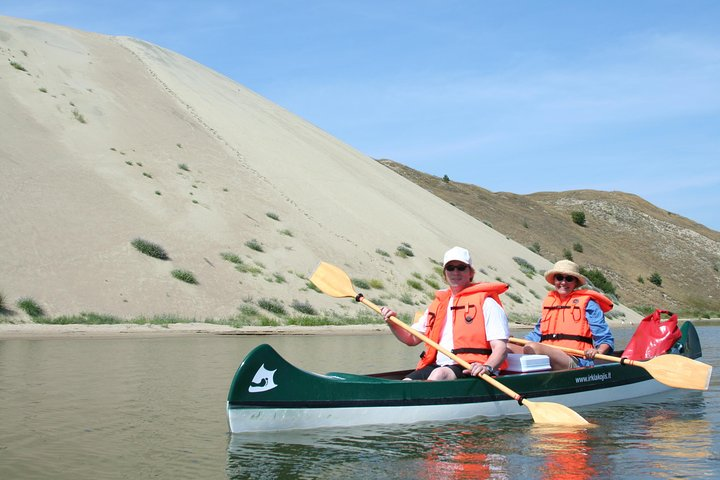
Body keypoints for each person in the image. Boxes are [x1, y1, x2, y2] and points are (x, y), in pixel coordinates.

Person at [380, 246, 510, 380]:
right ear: (444, 273)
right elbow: (411, 339)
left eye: (461, 267)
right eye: (450, 268)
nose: (455, 272)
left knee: (439, 374)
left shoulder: (487, 303)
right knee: (406, 382)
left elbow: (500, 348)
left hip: (473, 367)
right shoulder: (438, 305)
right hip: (439, 365)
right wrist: (392, 322)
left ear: (471, 273)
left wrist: (487, 367)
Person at [512, 259, 615, 370]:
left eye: (569, 279)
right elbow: (536, 334)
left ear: (575, 282)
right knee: (507, 347)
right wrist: (515, 341)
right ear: (555, 280)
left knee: (532, 347)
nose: (563, 282)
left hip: (576, 359)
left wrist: (598, 351)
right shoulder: (550, 302)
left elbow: (606, 339)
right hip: (546, 354)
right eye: (559, 278)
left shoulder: (589, 304)